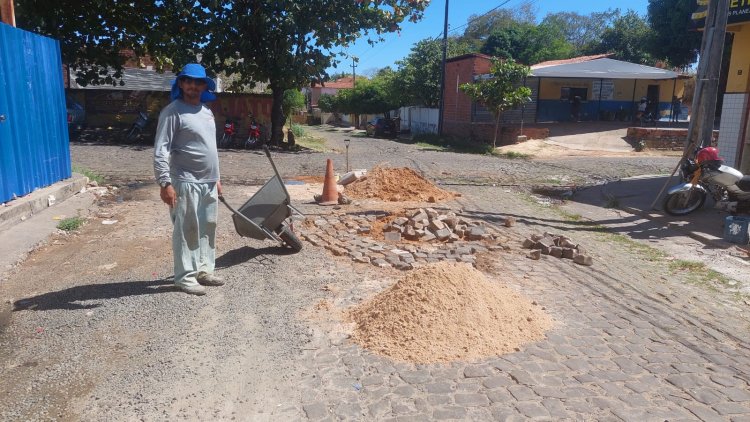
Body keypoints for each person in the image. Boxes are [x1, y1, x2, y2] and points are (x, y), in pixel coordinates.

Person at [153, 63, 224, 296]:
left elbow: (210, 147)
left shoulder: (207, 112)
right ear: (181, 84)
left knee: (207, 227)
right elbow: (161, 150)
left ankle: (204, 270)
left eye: (198, 82)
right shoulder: (173, 112)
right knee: (186, 230)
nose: (193, 86)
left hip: (208, 182)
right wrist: (165, 183)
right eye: (189, 82)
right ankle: (184, 277)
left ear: (205, 86)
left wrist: (217, 178)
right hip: (185, 181)